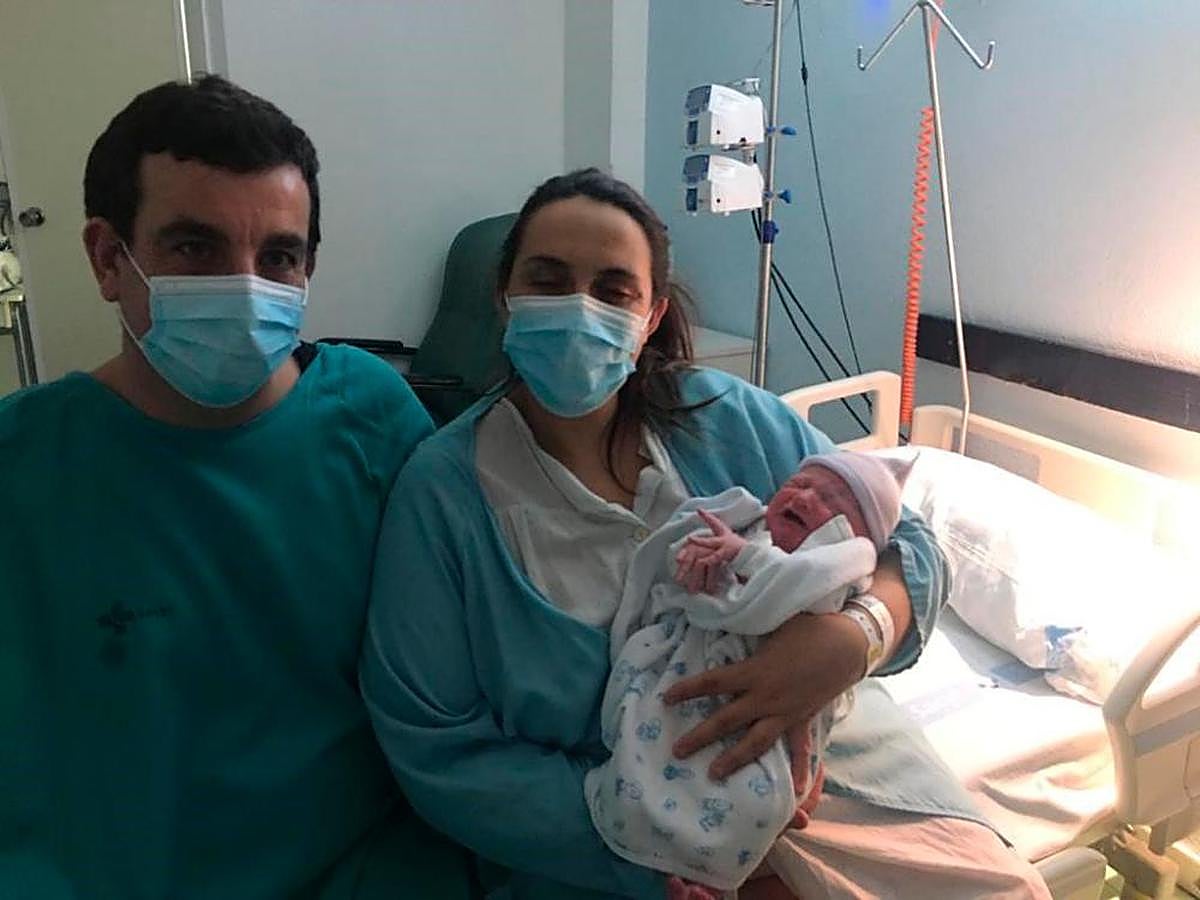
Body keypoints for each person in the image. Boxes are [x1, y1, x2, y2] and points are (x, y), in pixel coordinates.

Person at [362, 167, 1051, 899]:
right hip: (616, 841)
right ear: (505, 297)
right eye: (549, 280)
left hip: (837, 778)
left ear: (651, 315)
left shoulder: (727, 416)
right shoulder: (444, 495)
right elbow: (438, 747)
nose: (579, 308)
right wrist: (661, 848)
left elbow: (908, 544)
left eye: (613, 291)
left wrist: (854, 638)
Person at [0, 76, 472, 898]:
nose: (245, 287)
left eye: (278, 257)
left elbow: (495, 632)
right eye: (195, 247)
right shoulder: (25, 459)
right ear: (109, 259)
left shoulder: (373, 419)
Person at [587, 453, 914, 896]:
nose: (806, 497)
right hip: (692, 663)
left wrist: (861, 634)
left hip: (782, 690)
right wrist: (696, 563)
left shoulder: (843, 559)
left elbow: (796, 587)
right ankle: (667, 867)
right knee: (650, 750)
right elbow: (675, 566)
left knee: (749, 792)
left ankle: (708, 879)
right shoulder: (744, 523)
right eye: (798, 484)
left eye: (833, 501)